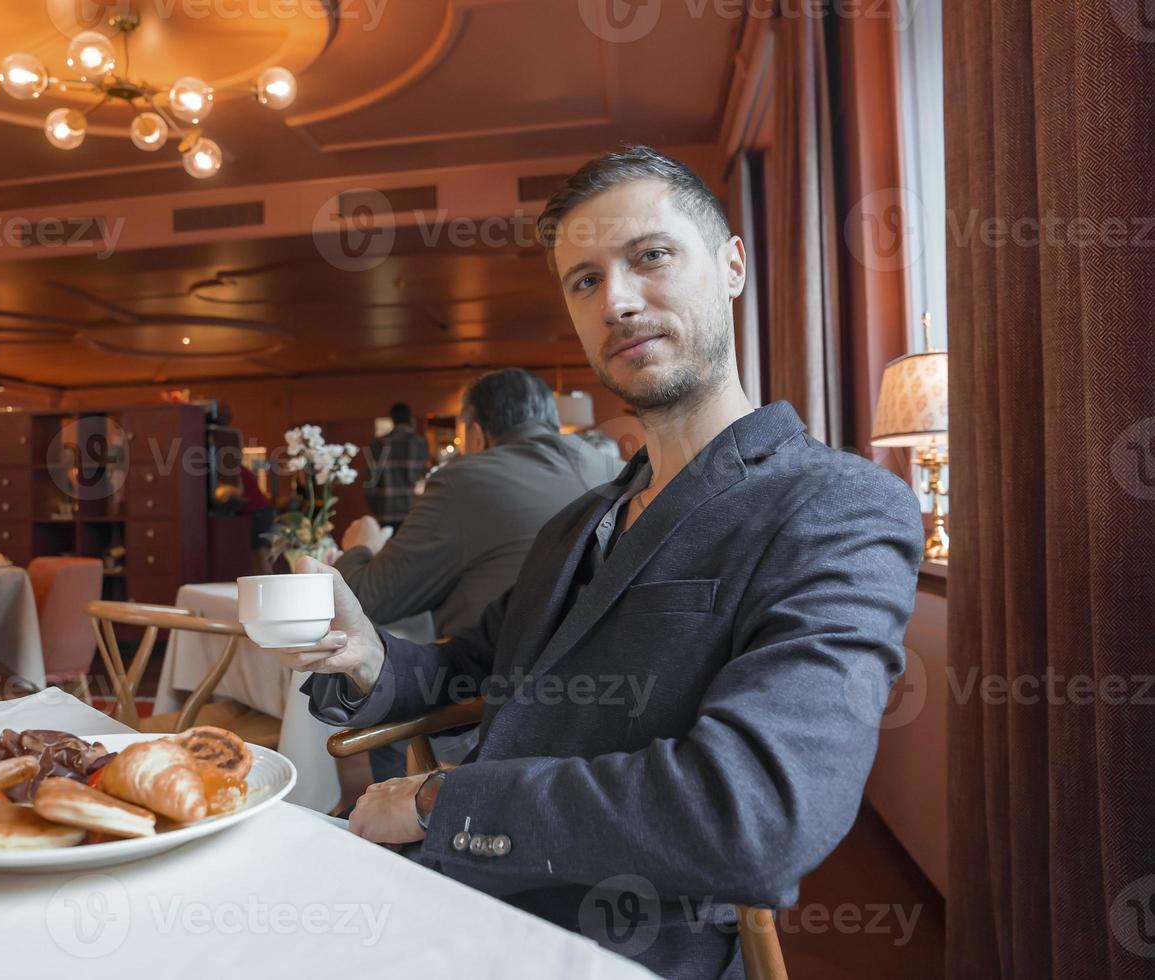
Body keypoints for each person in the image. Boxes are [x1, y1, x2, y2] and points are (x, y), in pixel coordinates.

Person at [277, 146, 924, 978]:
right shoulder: (578, 521)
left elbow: (755, 814)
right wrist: (370, 658)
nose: (616, 300)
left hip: (612, 937)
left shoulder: (835, 505)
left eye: (650, 256)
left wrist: (440, 801)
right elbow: (470, 670)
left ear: (730, 267)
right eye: (583, 280)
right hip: (447, 899)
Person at [339, 368, 621, 781]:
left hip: (482, 718)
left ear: (474, 432)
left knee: (387, 731)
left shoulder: (464, 480)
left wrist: (357, 548)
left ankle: (383, 836)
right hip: (599, 721)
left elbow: (372, 598)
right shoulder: (617, 469)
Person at [363, 403, 430, 529]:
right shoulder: (420, 443)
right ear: (410, 418)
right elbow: (424, 478)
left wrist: (374, 506)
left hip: (385, 509)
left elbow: (370, 481)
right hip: (413, 510)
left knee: (387, 548)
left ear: (392, 419)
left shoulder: (378, 444)